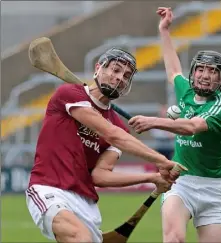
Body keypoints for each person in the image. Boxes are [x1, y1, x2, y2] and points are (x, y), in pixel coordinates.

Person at [26, 47, 180, 243]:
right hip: (49, 189)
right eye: (115, 70)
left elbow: (100, 175)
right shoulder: (70, 95)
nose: (119, 78)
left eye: (126, 76)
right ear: (98, 68)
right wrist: (161, 160)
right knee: (79, 238)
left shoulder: (119, 126)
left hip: (86, 202)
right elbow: (111, 134)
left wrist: (152, 177)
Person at [128, 7, 221, 243]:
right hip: (182, 183)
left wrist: (153, 121)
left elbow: (191, 126)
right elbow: (173, 70)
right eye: (200, 69)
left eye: (212, 71)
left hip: (214, 190)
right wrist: (164, 30)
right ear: (194, 73)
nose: (205, 74)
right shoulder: (187, 94)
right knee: (174, 240)